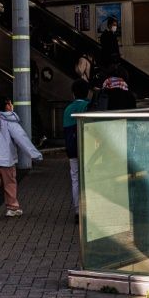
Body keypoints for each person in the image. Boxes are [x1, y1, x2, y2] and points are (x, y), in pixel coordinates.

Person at [63, 80, 91, 215]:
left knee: (75, 178)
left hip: (72, 150)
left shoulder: (68, 109)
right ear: (88, 92)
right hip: (88, 149)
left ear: (73, 94)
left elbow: (66, 133)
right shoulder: (89, 106)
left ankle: (77, 210)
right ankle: (88, 209)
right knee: (88, 178)